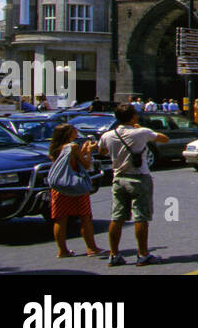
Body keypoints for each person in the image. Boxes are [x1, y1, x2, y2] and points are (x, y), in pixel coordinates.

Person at [98, 102, 169, 267]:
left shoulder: (108, 135)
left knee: (117, 217)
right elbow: (164, 139)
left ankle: (114, 255)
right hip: (139, 177)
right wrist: (139, 128)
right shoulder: (141, 132)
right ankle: (143, 254)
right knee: (141, 217)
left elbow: (102, 151)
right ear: (133, 117)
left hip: (118, 178)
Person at [47, 124, 102, 258]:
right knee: (85, 217)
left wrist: (82, 150)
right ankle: (92, 248)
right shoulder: (73, 146)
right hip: (75, 186)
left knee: (60, 218)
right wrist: (88, 151)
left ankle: (62, 250)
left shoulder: (55, 148)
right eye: (74, 130)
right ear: (68, 133)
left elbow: (70, 160)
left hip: (60, 187)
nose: (77, 131)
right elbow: (85, 164)